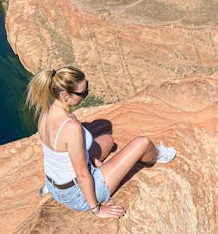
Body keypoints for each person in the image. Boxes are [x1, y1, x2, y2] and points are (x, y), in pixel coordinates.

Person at [26, 65, 176, 220]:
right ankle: (157, 155)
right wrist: (97, 209)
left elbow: (59, 153)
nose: (86, 94)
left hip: (54, 183)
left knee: (108, 141)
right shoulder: (71, 127)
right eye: (83, 93)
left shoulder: (46, 109)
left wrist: (89, 159)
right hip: (77, 194)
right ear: (65, 96)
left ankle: (55, 186)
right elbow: (82, 175)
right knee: (142, 143)